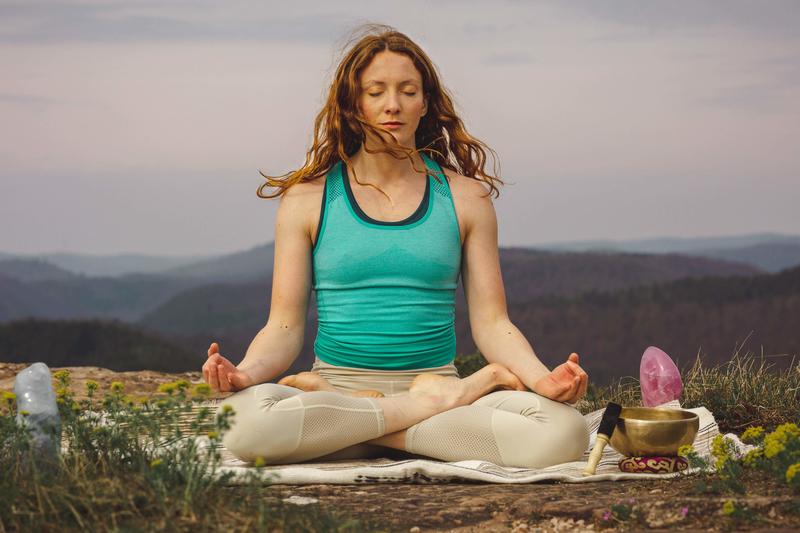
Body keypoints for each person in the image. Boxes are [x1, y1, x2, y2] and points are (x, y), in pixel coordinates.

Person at [202, 25, 590, 468]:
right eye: (376, 92)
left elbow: (492, 322)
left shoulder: (465, 198)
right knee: (240, 422)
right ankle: (422, 414)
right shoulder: (307, 199)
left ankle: (359, 435)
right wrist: (245, 374)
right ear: (353, 104)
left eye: (408, 91)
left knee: (565, 433)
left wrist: (541, 380)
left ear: (425, 102)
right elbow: (284, 327)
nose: (393, 105)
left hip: (419, 387)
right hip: (362, 394)